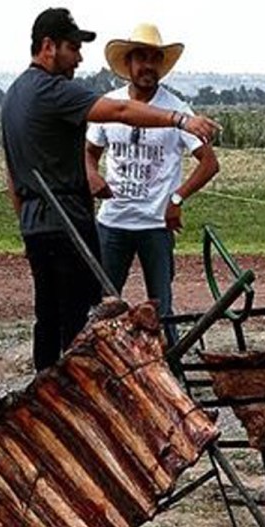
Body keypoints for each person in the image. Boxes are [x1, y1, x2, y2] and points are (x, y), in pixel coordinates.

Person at [1, 8, 219, 370]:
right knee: (79, 320)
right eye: (73, 47)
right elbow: (118, 112)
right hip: (70, 225)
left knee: (50, 316)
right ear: (49, 46)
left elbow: (12, 173)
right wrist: (180, 120)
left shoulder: (13, 95)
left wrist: (24, 222)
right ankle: (80, 394)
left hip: (40, 226)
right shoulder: (55, 91)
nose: (79, 57)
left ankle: (47, 388)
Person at [85, 23, 220, 346]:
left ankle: (170, 371)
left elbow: (209, 162)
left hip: (155, 224)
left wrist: (176, 198)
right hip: (112, 221)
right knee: (104, 304)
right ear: (128, 64)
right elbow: (89, 152)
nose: (148, 66)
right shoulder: (111, 104)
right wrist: (91, 174)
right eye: (141, 58)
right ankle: (102, 365)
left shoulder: (177, 109)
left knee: (162, 306)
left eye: (154, 59)